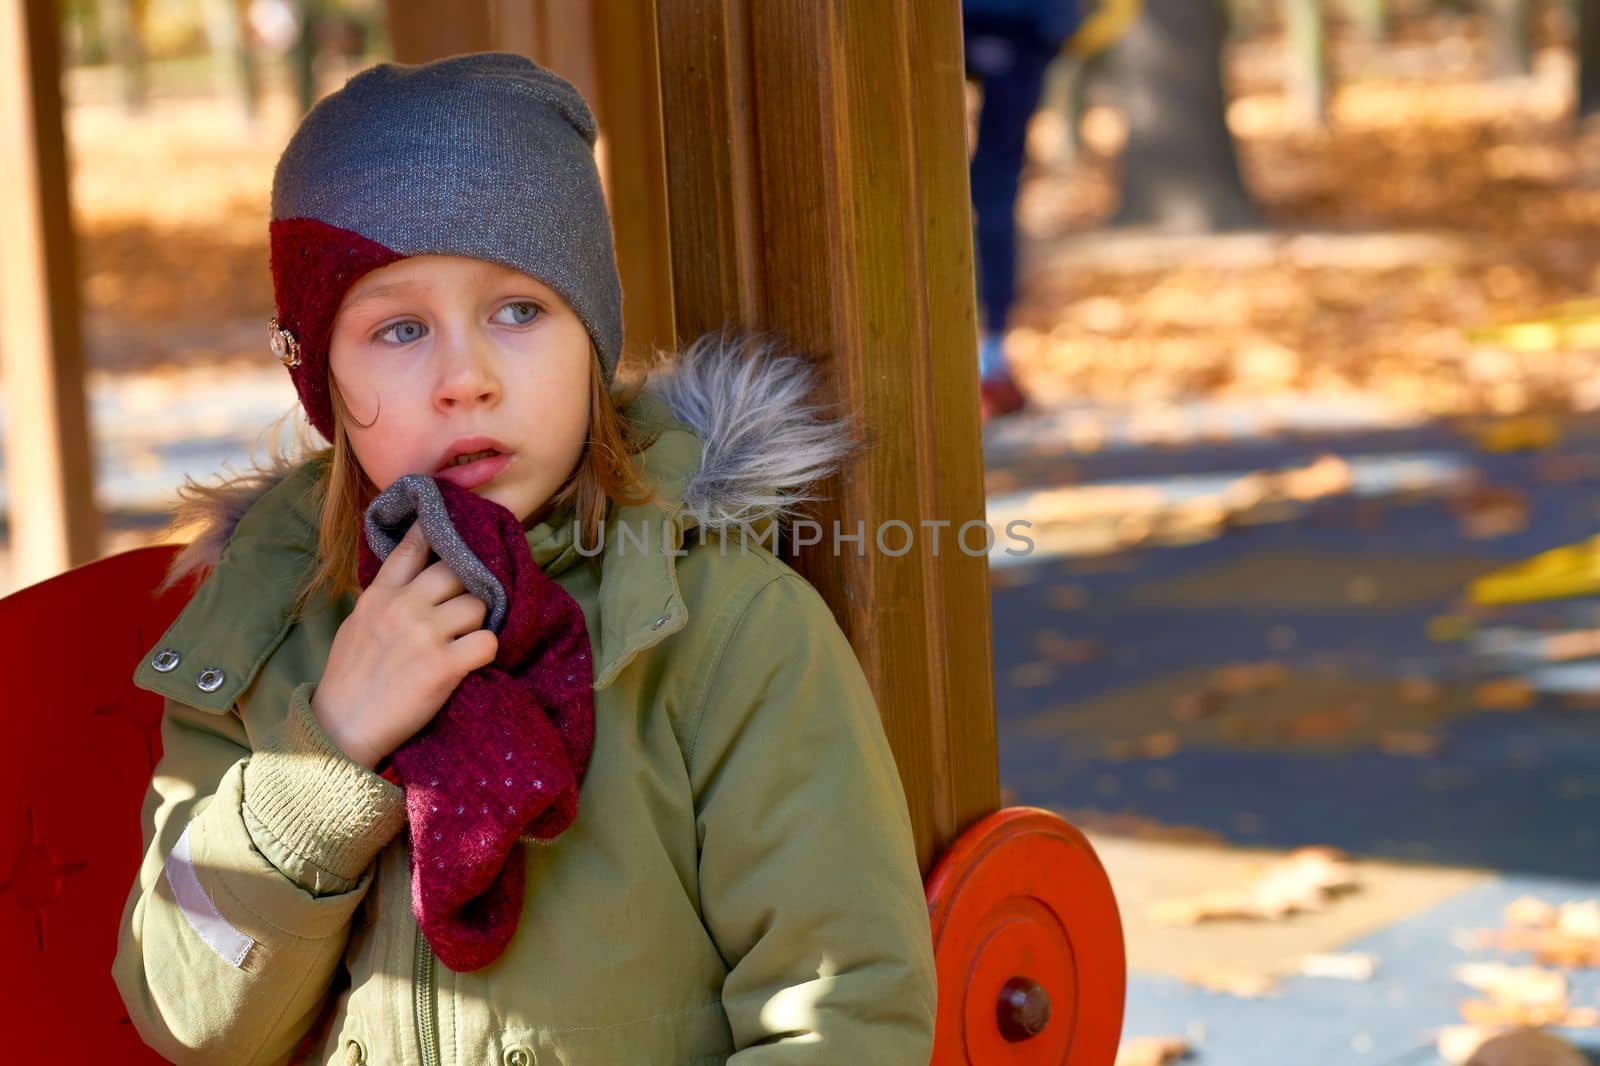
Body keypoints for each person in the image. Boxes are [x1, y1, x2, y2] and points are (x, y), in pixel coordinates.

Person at [112, 53, 937, 1064]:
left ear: (589, 336)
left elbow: (838, 1009)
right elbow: (190, 1016)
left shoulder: (719, 626)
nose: (467, 378)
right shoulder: (261, 632)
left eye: (519, 310)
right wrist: (323, 754)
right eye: (399, 327)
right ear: (319, 371)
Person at [964, 0, 1083, 420]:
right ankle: (990, 357)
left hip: (1015, 23)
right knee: (993, 193)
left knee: (992, 194)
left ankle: (991, 358)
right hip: (1021, 22)